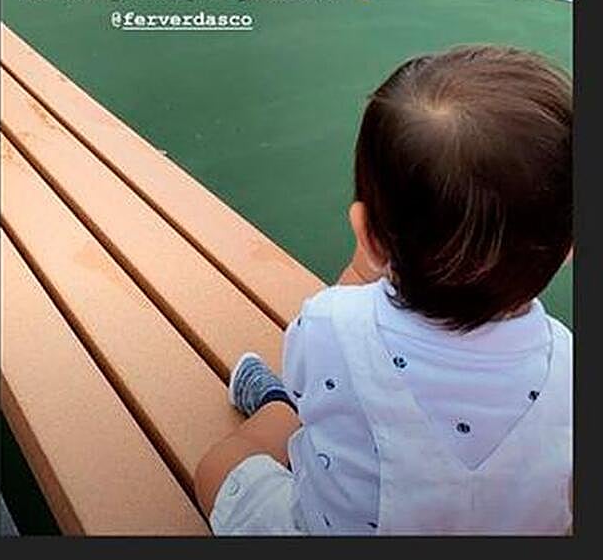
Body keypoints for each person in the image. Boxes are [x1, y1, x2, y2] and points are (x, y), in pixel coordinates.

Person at [194, 45, 572, 536]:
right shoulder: (571, 365)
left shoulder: (330, 324)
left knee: (222, 465)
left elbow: (319, 381)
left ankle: (274, 406)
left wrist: (361, 267)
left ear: (369, 236)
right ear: (570, 245)